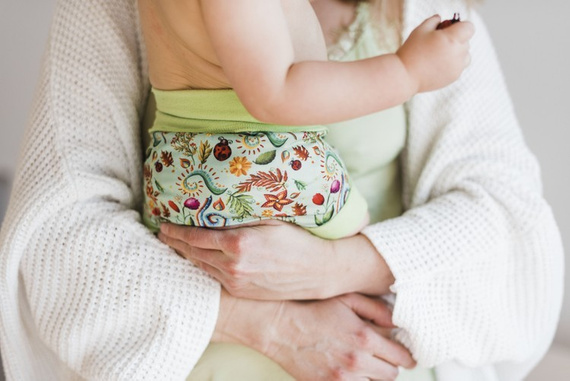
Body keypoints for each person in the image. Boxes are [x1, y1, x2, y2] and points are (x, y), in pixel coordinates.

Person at [0, 0, 564, 381]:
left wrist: (340, 266)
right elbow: (57, 232)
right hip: (208, 349)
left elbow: (510, 220)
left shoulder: (424, 9)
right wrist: (268, 324)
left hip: (370, 340)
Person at [138, 0, 471, 241]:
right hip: (262, 159)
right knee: (357, 245)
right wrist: (407, 72)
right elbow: (277, 94)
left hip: (173, 163)